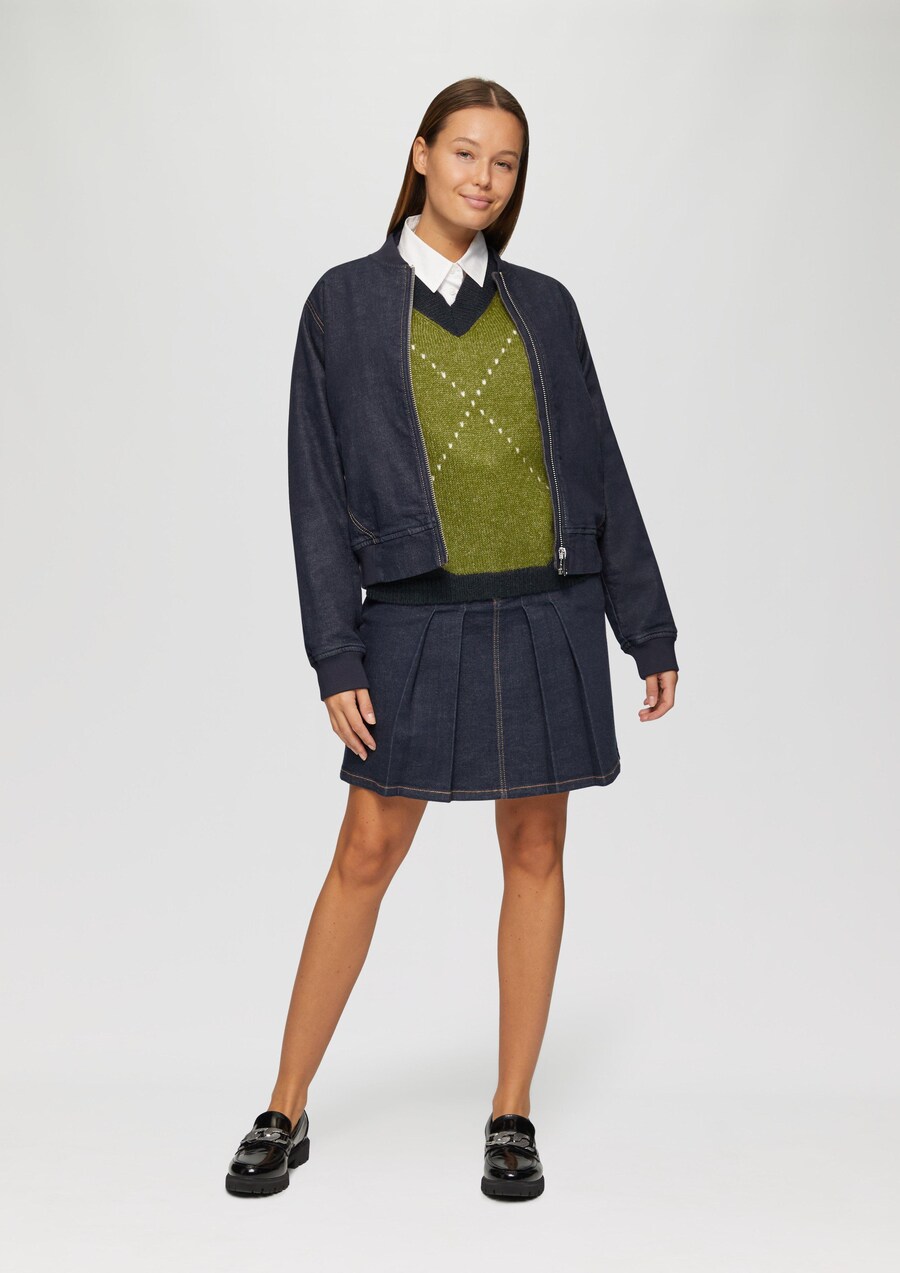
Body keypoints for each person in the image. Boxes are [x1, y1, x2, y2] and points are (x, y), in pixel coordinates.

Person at [225, 76, 679, 1202]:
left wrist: (645, 624)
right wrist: (337, 651)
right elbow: (314, 490)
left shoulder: (547, 308)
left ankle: (511, 1110)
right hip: (412, 620)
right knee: (365, 853)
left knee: (536, 852)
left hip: (547, 611)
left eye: (506, 162)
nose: (485, 177)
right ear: (422, 154)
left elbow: (599, 465)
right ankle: (285, 1103)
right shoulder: (343, 305)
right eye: (466, 152)